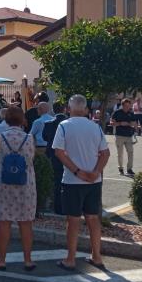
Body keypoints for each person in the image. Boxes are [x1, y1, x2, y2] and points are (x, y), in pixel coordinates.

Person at [52, 94, 110, 271]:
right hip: (94, 181)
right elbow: (105, 153)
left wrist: (77, 171)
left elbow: (59, 152)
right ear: (85, 109)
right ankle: (97, 256)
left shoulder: (64, 126)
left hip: (72, 181)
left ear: (69, 109)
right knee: (93, 218)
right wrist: (95, 172)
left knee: (73, 220)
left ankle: (70, 259)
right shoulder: (95, 127)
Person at [0, 105, 37, 271]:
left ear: (6, 119)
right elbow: (31, 158)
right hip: (26, 183)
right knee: (26, 222)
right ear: (22, 119)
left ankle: (1, 259)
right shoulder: (29, 138)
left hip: (5, 183)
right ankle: (28, 260)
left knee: (4, 222)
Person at [43, 102, 67, 215]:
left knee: (56, 182)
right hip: (67, 156)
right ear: (65, 109)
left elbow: (44, 137)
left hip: (52, 155)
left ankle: (57, 207)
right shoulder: (69, 123)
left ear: (53, 110)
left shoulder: (48, 124)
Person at [110, 98, 136, 177]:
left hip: (129, 136)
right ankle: (121, 169)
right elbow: (111, 123)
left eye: (129, 106)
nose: (127, 107)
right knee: (120, 153)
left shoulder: (131, 113)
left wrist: (129, 124)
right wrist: (120, 123)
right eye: (126, 106)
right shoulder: (117, 112)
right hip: (119, 135)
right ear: (122, 105)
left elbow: (134, 123)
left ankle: (129, 169)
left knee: (130, 152)